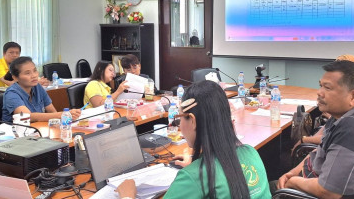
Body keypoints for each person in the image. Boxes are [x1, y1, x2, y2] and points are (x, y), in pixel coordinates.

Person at [116, 80, 271, 199]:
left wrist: (127, 195)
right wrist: (199, 165)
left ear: (193, 120)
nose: (180, 125)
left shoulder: (193, 178)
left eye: (180, 119)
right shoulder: (251, 153)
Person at [275, 60, 354, 198]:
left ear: (353, 96)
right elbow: (319, 150)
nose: (319, 92)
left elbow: (329, 191)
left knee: (254, 189)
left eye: (327, 88)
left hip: (311, 191)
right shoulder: (340, 115)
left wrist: (293, 182)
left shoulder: (351, 129)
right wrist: (294, 172)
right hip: (307, 178)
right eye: (320, 86)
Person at [2, 57, 81, 122]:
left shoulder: (37, 87)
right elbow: (28, 116)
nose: (34, 75)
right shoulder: (11, 93)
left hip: (38, 130)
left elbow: (52, 111)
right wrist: (63, 114)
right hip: (16, 135)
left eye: (35, 70)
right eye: (27, 73)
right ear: (15, 78)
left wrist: (63, 119)